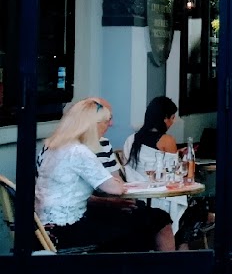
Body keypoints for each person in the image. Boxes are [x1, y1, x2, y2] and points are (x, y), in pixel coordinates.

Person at [35, 98, 175, 251]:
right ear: (92, 125)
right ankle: (153, 272)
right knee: (152, 220)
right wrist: (117, 184)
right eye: (106, 121)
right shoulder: (79, 152)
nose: (110, 124)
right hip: (68, 230)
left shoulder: (51, 147)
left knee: (139, 221)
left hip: (43, 227)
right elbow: (115, 189)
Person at [122, 96, 189, 235]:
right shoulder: (167, 140)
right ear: (164, 118)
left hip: (138, 196)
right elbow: (174, 173)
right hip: (161, 197)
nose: (173, 121)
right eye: (172, 117)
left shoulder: (131, 139)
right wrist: (183, 160)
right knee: (191, 214)